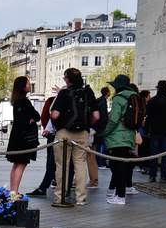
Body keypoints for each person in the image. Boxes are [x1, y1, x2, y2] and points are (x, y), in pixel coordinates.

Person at [50, 68, 99, 205]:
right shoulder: (88, 92)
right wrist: (87, 125)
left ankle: (60, 197)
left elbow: (55, 115)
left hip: (64, 133)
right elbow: (96, 116)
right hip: (82, 133)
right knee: (80, 165)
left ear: (67, 79)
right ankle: (81, 198)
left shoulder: (64, 93)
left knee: (61, 166)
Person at [102, 75, 137, 205]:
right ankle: (118, 194)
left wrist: (104, 132)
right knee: (121, 166)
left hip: (117, 138)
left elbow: (113, 119)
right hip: (129, 136)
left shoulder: (119, 98)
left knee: (118, 167)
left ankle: (120, 196)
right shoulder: (134, 96)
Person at [6, 76, 39, 192]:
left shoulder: (16, 101)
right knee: (21, 165)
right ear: (23, 87)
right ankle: (14, 192)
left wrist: (31, 118)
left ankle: (12, 191)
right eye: (28, 83)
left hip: (16, 136)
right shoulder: (25, 102)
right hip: (24, 139)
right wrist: (31, 119)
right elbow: (36, 116)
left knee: (16, 164)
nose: (30, 85)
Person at [144, 80, 166, 183]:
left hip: (155, 131)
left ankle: (152, 175)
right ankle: (164, 175)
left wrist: (147, 130)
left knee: (154, 154)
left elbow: (148, 117)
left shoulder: (152, 101)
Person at [27, 96, 56, 196]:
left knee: (51, 163)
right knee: (74, 165)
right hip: (77, 136)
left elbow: (47, 116)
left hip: (57, 136)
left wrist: (47, 129)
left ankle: (44, 188)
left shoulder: (55, 99)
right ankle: (75, 193)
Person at [92, 86, 110, 170]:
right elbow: (103, 116)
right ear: (107, 93)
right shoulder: (103, 102)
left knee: (98, 146)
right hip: (102, 128)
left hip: (97, 127)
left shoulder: (99, 100)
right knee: (102, 145)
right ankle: (101, 163)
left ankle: (99, 162)